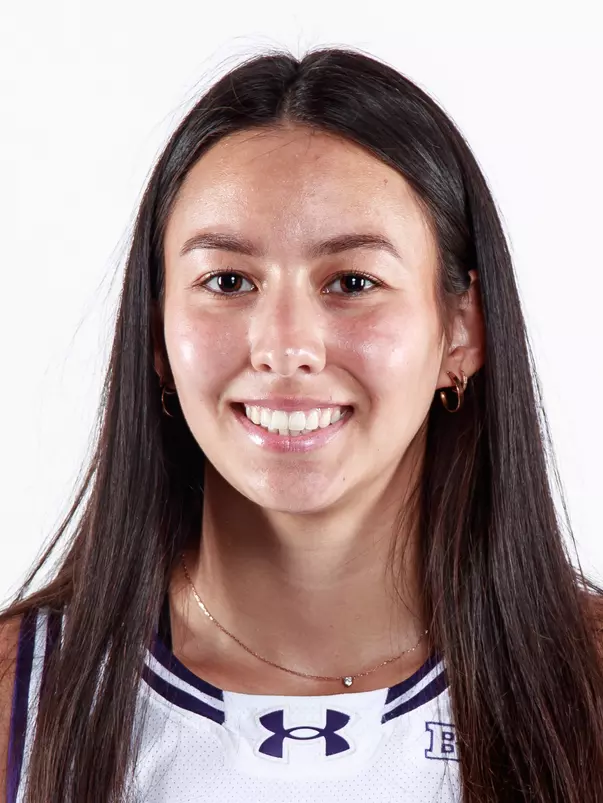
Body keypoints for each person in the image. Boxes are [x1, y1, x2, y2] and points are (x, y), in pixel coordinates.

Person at [1, 46, 602, 803]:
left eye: (352, 282)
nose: (284, 346)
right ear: (156, 332)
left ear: (461, 330)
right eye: (227, 281)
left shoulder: (585, 684)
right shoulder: (21, 698)